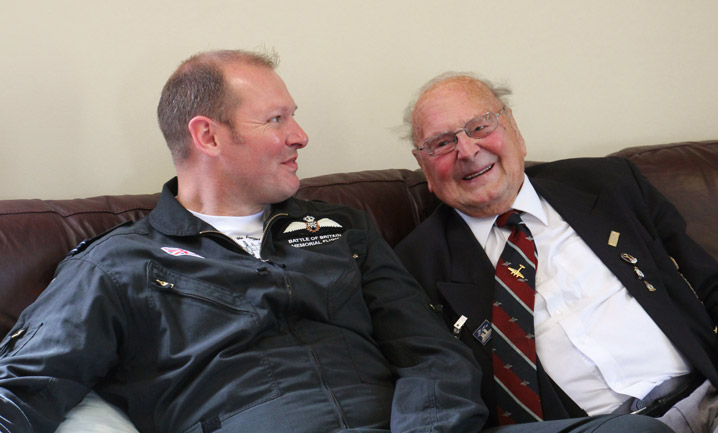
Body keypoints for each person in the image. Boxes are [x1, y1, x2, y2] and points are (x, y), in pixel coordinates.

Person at [0, 51, 673, 433]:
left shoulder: (342, 230)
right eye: (277, 118)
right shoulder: (120, 264)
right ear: (207, 137)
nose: (301, 136)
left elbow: (434, 353)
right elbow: (22, 388)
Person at [394, 73, 718, 433]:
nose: (467, 150)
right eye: (442, 143)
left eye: (479, 126)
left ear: (513, 128)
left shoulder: (606, 186)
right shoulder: (415, 268)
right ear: (424, 167)